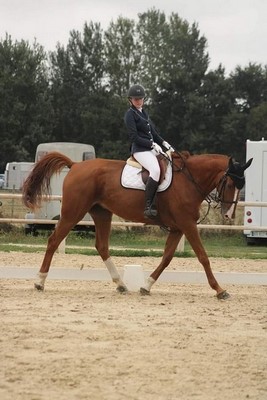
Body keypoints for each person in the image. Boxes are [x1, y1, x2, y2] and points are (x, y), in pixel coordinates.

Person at [124, 84, 174, 219]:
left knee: (170, 163)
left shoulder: (144, 113)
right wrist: (151, 144)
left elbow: (154, 133)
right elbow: (134, 137)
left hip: (151, 148)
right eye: (136, 99)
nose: (139, 101)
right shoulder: (130, 115)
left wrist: (164, 143)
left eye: (140, 99)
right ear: (130, 100)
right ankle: (148, 206)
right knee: (156, 170)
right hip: (140, 150)